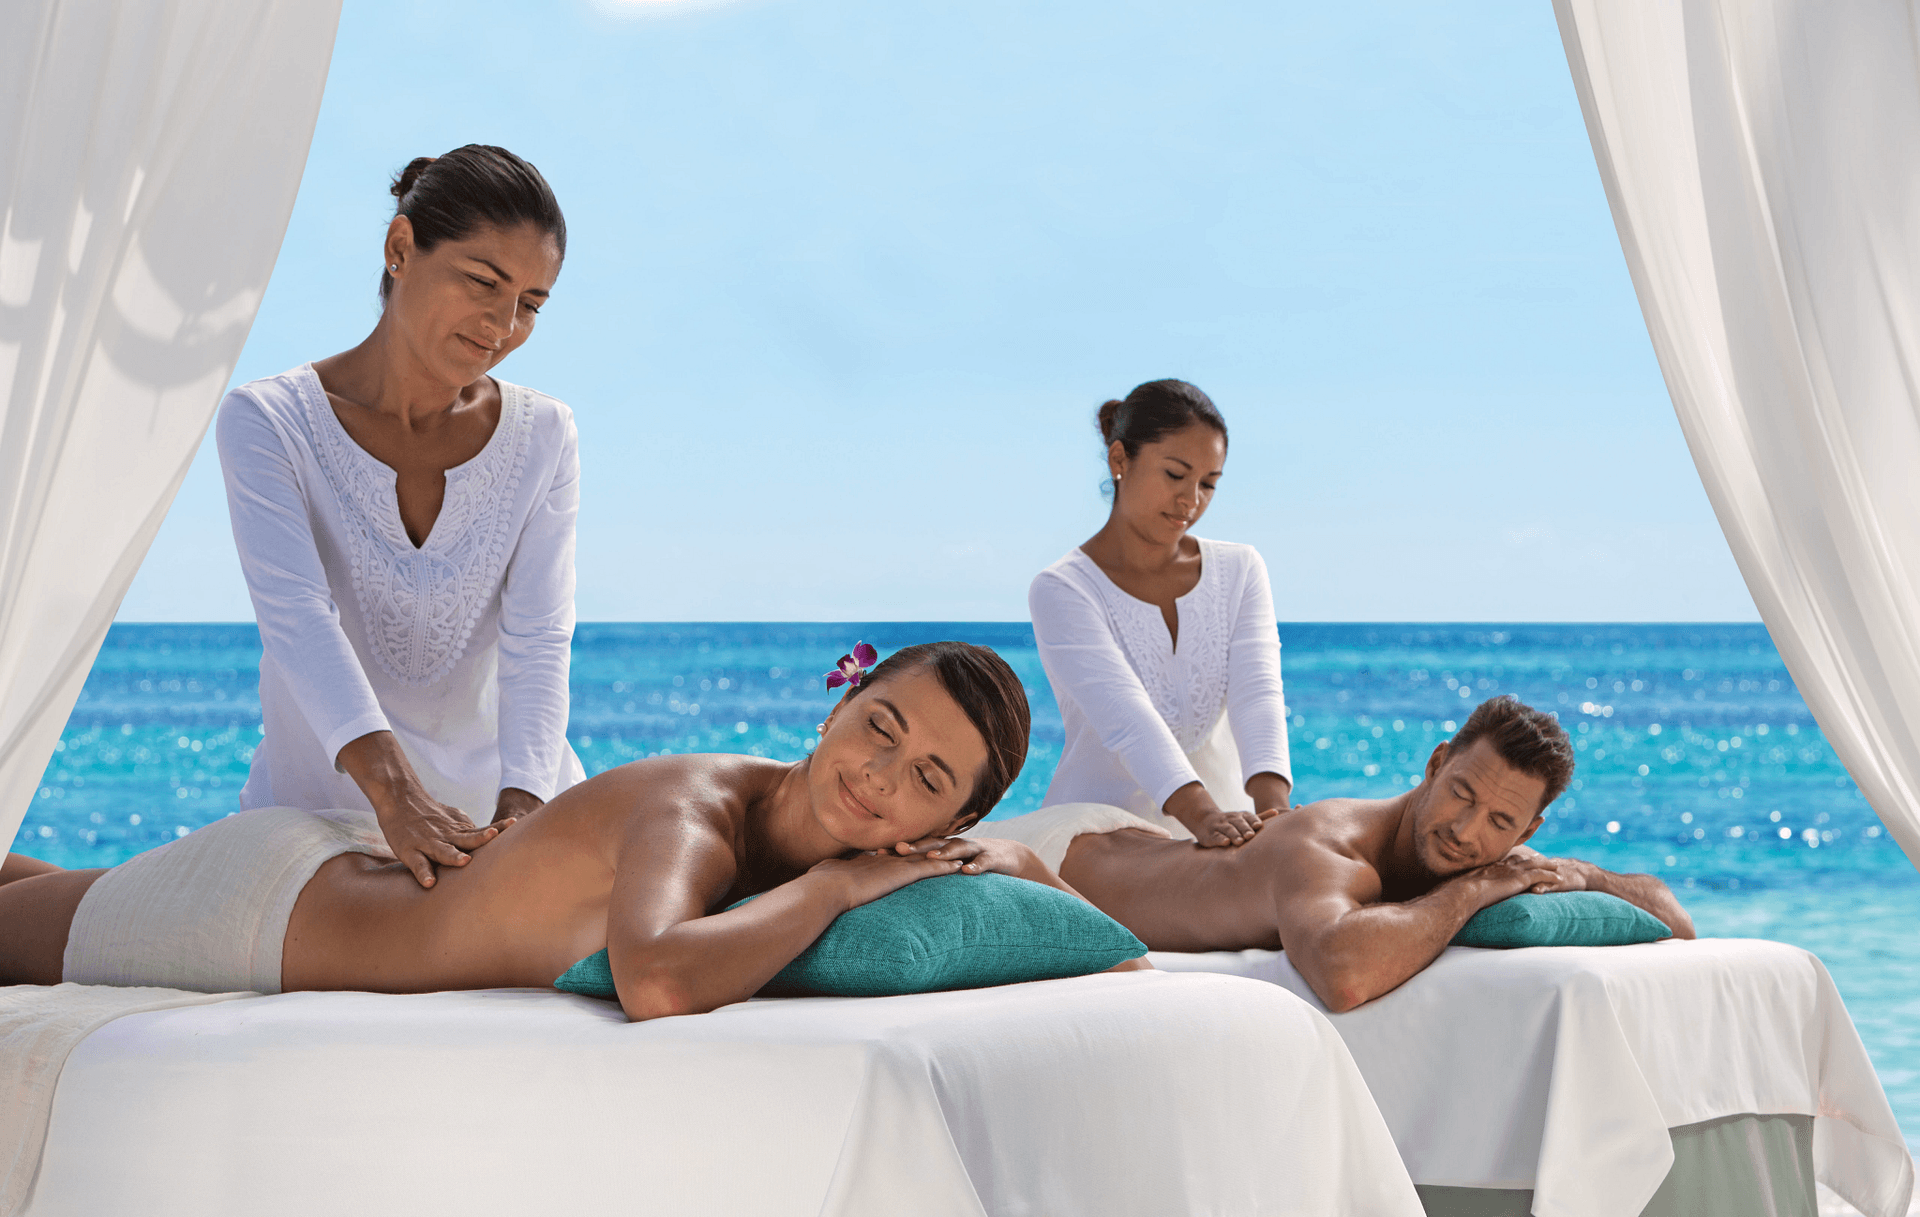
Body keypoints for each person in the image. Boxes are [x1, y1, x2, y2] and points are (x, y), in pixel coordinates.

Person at [0, 643, 1127, 1021]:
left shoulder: (915, 836)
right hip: (268, 910)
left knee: (37, 890)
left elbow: (1061, 903)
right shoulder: (697, 812)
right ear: (835, 706)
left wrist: (1003, 856)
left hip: (342, 867)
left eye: (927, 777)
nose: (879, 776)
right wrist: (838, 890)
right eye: (877, 727)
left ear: (953, 820)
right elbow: (653, 978)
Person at [215, 144, 584, 889]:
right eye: (485, 281)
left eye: (533, 304)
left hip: (502, 821)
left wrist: (524, 817)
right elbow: (298, 621)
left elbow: (539, 639)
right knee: (111, 913)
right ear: (400, 249)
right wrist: (398, 798)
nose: (504, 323)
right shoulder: (269, 421)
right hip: (315, 825)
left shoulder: (544, 434)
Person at [978, 695, 1695, 1012]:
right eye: (1462, 793)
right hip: (1056, 855)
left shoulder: (1493, 842)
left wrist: (1586, 874)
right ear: (1436, 762)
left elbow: (1675, 917)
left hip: (1139, 843)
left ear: (1527, 832)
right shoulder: (1327, 845)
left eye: (1499, 820)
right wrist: (1476, 892)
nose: (1467, 829)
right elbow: (1342, 974)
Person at [1028, 379, 1292, 849]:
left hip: (1229, 829)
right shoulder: (1063, 588)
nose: (1192, 500)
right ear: (1119, 460)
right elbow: (1126, 716)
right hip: (1101, 833)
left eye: (1209, 484)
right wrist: (1204, 818)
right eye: (1175, 475)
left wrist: (1278, 818)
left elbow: (1259, 694)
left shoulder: (1241, 569)